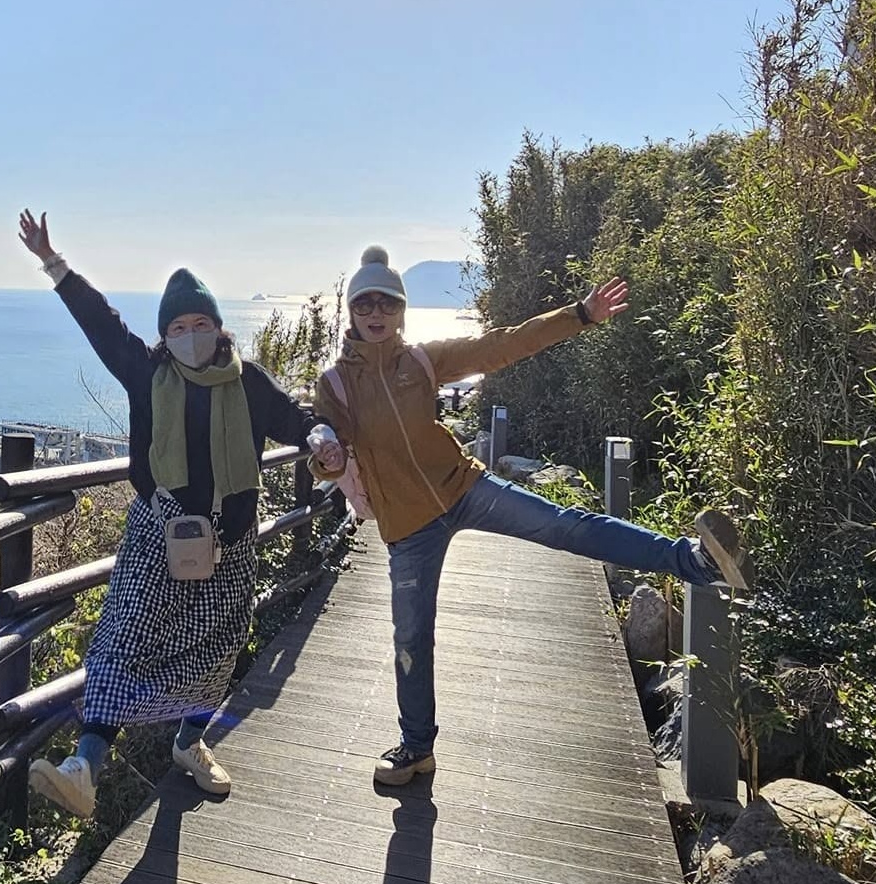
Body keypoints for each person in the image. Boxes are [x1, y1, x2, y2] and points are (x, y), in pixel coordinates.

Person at [307, 245, 750, 786]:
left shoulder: (421, 360)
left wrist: (580, 315)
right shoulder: (335, 383)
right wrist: (325, 452)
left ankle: (695, 560)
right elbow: (328, 436)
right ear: (351, 312)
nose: (376, 315)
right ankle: (417, 748)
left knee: (566, 525)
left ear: (401, 311)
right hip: (408, 528)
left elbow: (500, 347)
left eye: (387, 304)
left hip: (465, 487)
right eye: (365, 305)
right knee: (410, 639)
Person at [16, 209, 315, 818]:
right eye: (177, 325)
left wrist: (322, 439)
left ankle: (189, 743)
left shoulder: (249, 382)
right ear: (164, 334)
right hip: (158, 534)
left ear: (219, 326)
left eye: (200, 322)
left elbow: (296, 422)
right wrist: (54, 263)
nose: (190, 333)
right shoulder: (148, 374)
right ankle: (85, 767)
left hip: (230, 545)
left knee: (216, 647)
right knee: (122, 638)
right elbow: (102, 323)